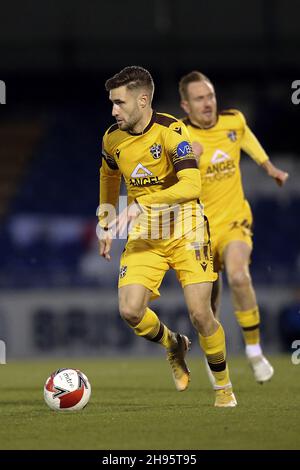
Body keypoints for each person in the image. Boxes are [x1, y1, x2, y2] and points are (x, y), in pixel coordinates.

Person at [98, 66, 237, 407]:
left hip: (186, 225)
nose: (113, 110)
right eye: (112, 103)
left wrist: (141, 203)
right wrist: (106, 220)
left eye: (119, 102)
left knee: (200, 313)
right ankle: (174, 344)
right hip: (147, 231)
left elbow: (192, 185)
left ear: (142, 100)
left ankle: (224, 389)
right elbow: (109, 177)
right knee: (130, 311)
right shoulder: (112, 139)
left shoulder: (171, 131)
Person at [179, 70, 289, 385]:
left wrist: (269, 168)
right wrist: (186, 160)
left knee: (239, 275)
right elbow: (168, 177)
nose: (207, 103)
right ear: (186, 106)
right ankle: (217, 362)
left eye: (210, 96)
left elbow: (247, 139)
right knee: (205, 308)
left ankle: (254, 351)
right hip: (197, 231)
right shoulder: (180, 136)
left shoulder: (233, 121)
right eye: (199, 98)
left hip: (234, 221)